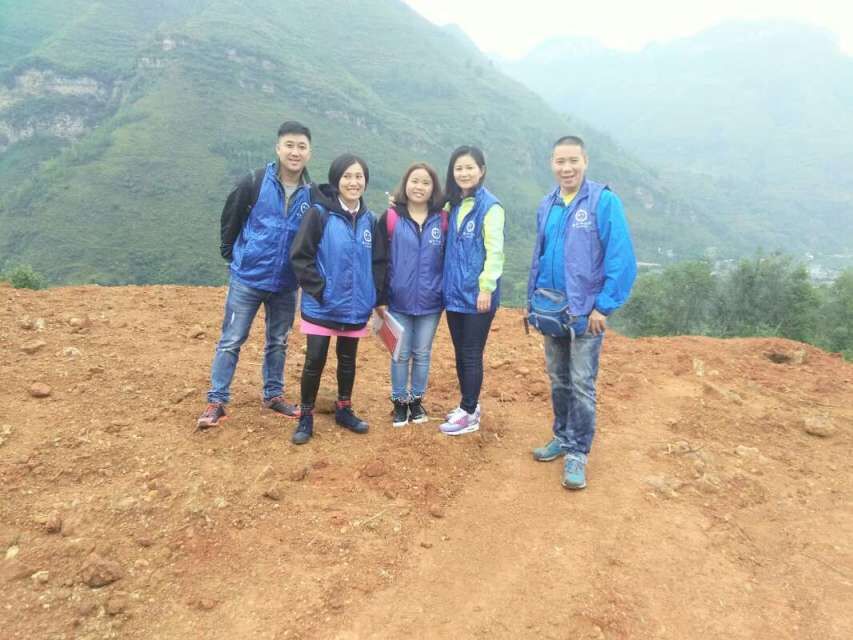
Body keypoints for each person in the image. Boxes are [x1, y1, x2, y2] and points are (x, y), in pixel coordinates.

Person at [528, 135, 637, 489]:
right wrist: (531, 302)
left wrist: (604, 305)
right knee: (558, 379)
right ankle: (561, 437)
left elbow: (621, 257)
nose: (567, 168)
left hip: (586, 312)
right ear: (552, 164)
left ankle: (578, 452)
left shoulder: (603, 201)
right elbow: (539, 257)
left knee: (581, 383)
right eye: (560, 161)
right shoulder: (547, 204)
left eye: (573, 160)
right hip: (551, 308)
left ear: (585, 162)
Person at [197, 121, 313, 429]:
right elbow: (231, 218)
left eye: (301, 147)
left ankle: (273, 395)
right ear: (278, 148)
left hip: (286, 282)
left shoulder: (312, 194)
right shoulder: (254, 181)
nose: (295, 152)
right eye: (289, 145)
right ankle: (216, 401)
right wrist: (234, 255)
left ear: (309, 153)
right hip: (248, 278)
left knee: (278, 341)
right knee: (231, 340)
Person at [288, 154, 387, 445]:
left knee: (347, 360)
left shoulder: (370, 220)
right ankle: (306, 415)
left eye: (359, 176)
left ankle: (344, 408)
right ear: (336, 180)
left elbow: (379, 262)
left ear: (365, 181)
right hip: (322, 305)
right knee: (314, 359)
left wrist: (373, 294)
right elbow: (300, 256)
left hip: (356, 306)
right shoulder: (319, 214)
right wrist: (321, 290)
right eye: (347, 176)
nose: (353, 182)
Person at [439, 146, 505, 436]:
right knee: (460, 351)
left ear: (482, 170)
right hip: (454, 293)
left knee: (471, 352)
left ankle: (469, 413)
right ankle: (468, 405)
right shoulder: (453, 203)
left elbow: (495, 252)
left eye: (469, 167)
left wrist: (486, 287)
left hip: (478, 295)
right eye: (459, 168)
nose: (464, 173)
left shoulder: (491, 207)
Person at [375, 163, 447, 427]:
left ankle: (416, 401)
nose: (419, 187)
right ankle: (399, 402)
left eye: (426, 183)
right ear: (405, 184)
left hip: (431, 301)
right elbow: (379, 259)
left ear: (433, 188)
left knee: (422, 353)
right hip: (398, 300)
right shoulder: (391, 217)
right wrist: (380, 298)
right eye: (414, 181)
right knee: (400, 354)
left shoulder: (443, 220)